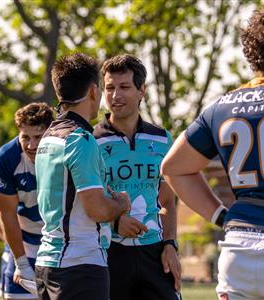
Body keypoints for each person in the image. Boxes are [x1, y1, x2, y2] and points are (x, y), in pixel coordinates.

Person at [162, 1, 264, 299]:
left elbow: (173, 168)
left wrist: (220, 217)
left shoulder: (222, 106)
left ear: (252, 58)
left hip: (236, 262)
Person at [34, 52, 131, 300]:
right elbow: (97, 210)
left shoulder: (49, 135)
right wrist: (121, 204)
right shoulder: (80, 139)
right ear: (92, 92)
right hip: (79, 265)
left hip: (48, 263)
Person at [93, 54, 182, 300]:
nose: (115, 96)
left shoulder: (163, 139)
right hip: (109, 253)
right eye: (109, 88)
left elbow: (167, 202)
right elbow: (84, 203)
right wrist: (115, 223)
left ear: (141, 90)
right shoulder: (91, 142)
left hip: (155, 254)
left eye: (124, 87)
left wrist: (170, 245)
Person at [0, 102, 54, 300]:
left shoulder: (66, 150)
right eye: (25, 137)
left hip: (61, 242)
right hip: (24, 241)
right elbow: (5, 214)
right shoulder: (6, 158)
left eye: (38, 137)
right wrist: (21, 263)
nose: (31, 145)